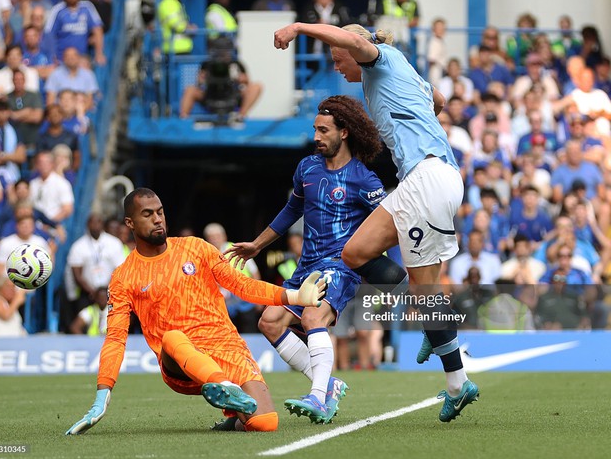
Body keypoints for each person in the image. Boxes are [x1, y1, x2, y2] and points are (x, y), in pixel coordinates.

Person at [273, 22, 479, 422]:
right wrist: (415, 122)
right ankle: (457, 381)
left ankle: (438, 341)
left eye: (337, 58)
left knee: (401, 281)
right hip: (438, 178)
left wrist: (298, 27)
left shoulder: (377, 61)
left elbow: (353, 41)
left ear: (358, 49)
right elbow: (435, 98)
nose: (337, 66)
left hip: (427, 178)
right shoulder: (400, 67)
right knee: (368, 257)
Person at [65, 188, 327, 435]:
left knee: (265, 423)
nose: (157, 219)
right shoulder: (123, 276)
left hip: (226, 347)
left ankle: (234, 414)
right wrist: (102, 397)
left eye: (160, 212)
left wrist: (293, 296)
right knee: (172, 337)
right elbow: (115, 338)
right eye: (147, 214)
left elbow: (241, 284)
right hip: (180, 363)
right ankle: (224, 386)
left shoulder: (196, 247)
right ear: (130, 223)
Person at [225, 96, 397, 424]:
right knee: (269, 322)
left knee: (312, 319)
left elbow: (388, 223)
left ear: (344, 132)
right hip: (307, 266)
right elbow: (292, 209)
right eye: (314, 129)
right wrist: (258, 245)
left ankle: (317, 396)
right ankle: (326, 385)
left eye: (323, 130)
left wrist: (377, 259)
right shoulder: (307, 168)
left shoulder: (363, 178)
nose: (316, 136)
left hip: (340, 266)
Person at [179, 36, 262, 122]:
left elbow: (247, 82)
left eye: (225, 51)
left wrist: (239, 78)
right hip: (210, 95)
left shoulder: (236, 64)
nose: (223, 54)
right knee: (190, 89)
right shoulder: (207, 64)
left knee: (256, 86)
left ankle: (241, 116)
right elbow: (199, 83)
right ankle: (183, 119)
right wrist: (203, 79)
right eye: (220, 51)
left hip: (231, 96)